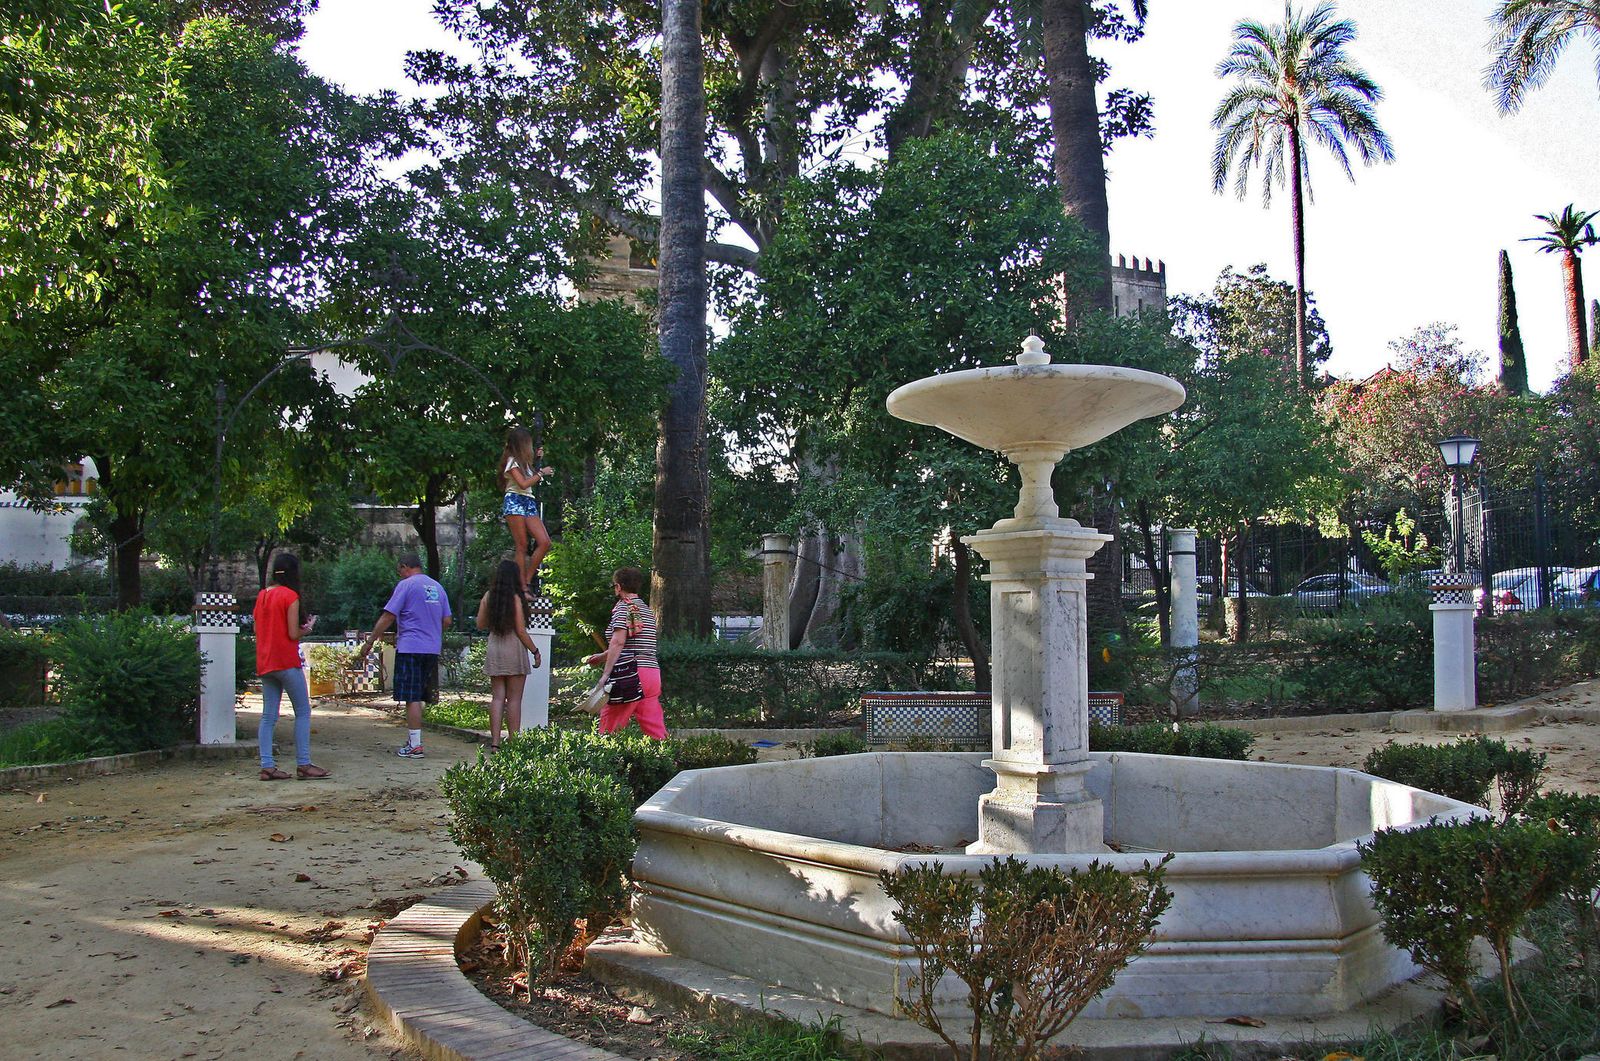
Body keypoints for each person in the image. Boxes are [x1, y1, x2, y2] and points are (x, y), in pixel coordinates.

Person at [356, 552, 453, 759]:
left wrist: (370, 641)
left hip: (410, 647)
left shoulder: (406, 585)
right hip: (431, 648)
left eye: (399, 570)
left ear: (405, 567)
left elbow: (388, 615)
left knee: (411, 697)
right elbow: (447, 620)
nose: (399, 574)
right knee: (418, 694)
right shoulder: (437, 587)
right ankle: (413, 740)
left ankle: (415, 745)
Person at [253, 552, 329, 780]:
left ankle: (267, 766)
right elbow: (293, 633)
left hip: (265, 662)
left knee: (268, 716)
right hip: (286, 661)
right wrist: (309, 628)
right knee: (303, 712)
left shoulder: (262, 595)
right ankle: (304, 764)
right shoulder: (290, 596)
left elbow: (257, 629)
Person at [586, 566, 665, 740]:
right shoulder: (646, 610)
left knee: (610, 726)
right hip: (651, 674)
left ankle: (605, 756)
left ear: (618, 586)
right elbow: (633, 644)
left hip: (630, 674)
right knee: (655, 730)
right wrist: (602, 657)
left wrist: (605, 675)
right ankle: (665, 755)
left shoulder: (623, 607)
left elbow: (618, 642)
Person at [475, 558, 543, 750]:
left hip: (495, 647)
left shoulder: (489, 596)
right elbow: (521, 630)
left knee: (497, 698)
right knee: (514, 699)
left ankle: (495, 743)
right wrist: (535, 651)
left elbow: (480, 624)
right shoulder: (515, 598)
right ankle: (513, 743)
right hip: (514, 649)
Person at [499, 426, 554, 596]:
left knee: (545, 542)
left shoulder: (524, 463)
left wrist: (537, 461)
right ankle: (522, 586)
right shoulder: (511, 461)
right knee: (522, 545)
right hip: (515, 500)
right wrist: (541, 473)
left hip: (528, 501)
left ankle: (527, 580)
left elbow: (528, 479)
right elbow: (523, 484)